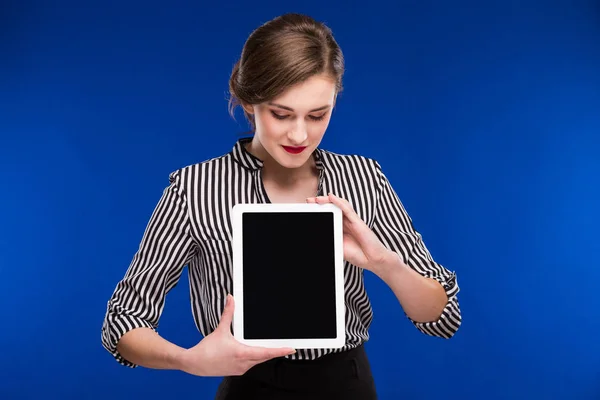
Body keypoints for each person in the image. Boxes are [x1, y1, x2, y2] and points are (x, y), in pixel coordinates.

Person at [101, 12, 461, 400]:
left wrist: (383, 263)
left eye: (318, 115)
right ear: (247, 100)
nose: (300, 134)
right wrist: (189, 359)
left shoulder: (363, 177)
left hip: (347, 384)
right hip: (248, 387)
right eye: (281, 114)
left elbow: (441, 316)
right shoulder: (194, 189)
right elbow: (123, 321)